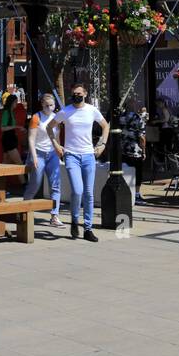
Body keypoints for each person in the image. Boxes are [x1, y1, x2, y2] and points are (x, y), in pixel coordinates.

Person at [47, 84, 108, 241]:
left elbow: (105, 126)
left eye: (79, 93)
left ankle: (88, 228)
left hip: (88, 155)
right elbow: (49, 127)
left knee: (88, 193)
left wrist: (102, 144)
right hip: (71, 155)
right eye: (74, 93)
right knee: (78, 190)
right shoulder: (66, 111)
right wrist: (56, 145)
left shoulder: (91, 110)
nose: (76, 96)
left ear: (85, 94)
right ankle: (75, 220)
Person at [23, 93, 63, 228]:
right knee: (35, 183)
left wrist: (58, 152)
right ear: (42, 105)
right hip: (39, 153)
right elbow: (31, 138)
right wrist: (33, 156)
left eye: (52, 105)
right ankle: (25, 208)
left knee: (55, 185)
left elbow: (57, 137)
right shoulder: (36, 117)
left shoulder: (56, 118)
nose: (49, 108)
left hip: (52, 154)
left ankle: (55, 215)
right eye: (47, 105)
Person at [118, 97, 147, 204]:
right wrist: (144, 151)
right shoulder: (138, 118)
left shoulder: (120, 117)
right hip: (135, 151)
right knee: (137, 173)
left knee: (124, 172)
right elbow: (142, 137)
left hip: (122, 150)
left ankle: (125, 194)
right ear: (133, 106)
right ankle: (136, 195)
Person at [0, 92, 22, 167]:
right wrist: (16, 127)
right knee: (19, 164)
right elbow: (3, 128)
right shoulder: (6, 112)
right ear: (12, 102)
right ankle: (24, 179)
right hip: (8, 139)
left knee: (5, 163)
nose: (17, 103)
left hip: (10, 138)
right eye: (16, 102)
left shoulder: (11, 112)